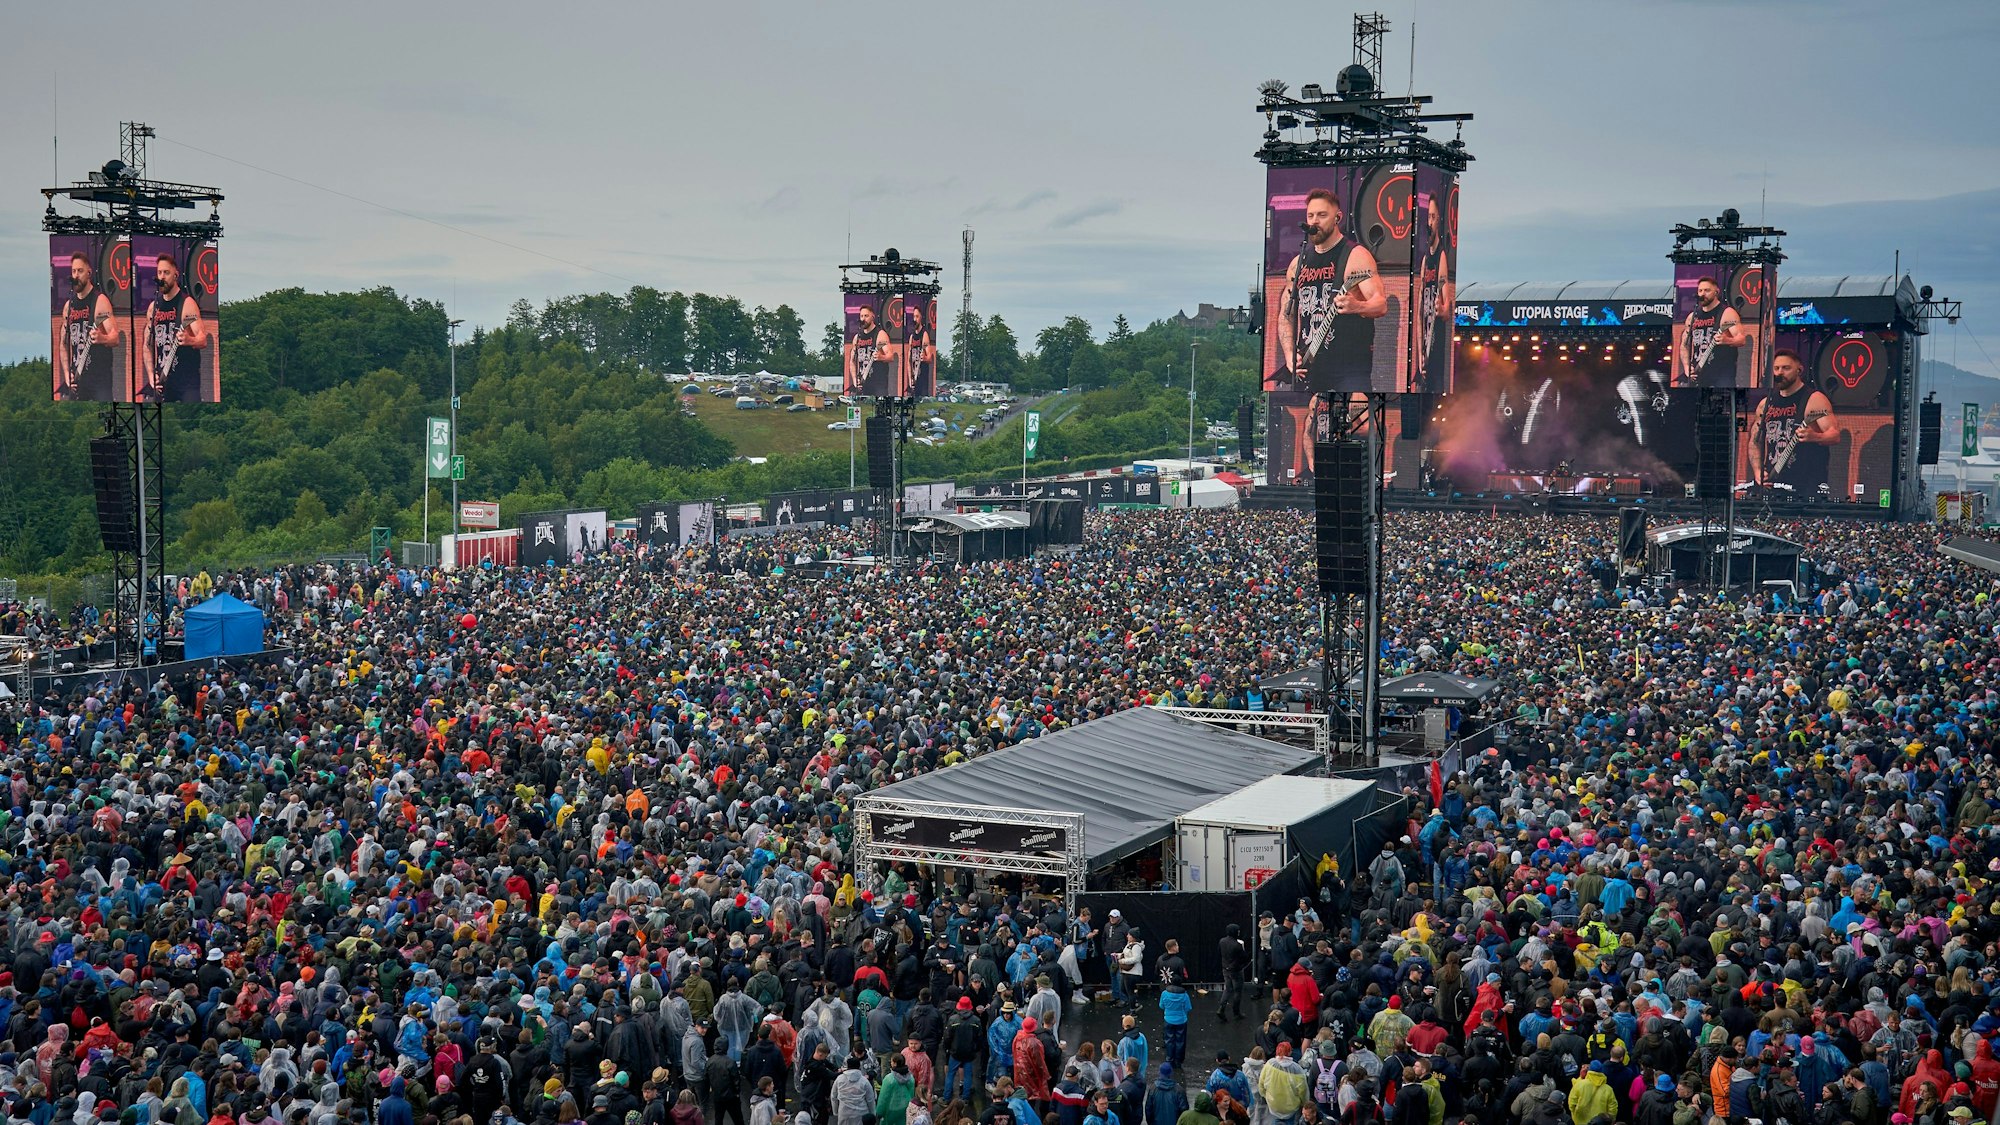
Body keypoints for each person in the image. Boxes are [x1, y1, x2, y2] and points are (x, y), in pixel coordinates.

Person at [1275, 187, 1387, 390]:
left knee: (1357, 416)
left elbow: (1380, 304)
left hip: (1350, 368)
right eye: (1310, 215)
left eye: (1322, 215)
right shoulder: (1298, 263)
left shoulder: (1355, 256)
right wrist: (1290, 354)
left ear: (1338, 217)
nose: (1314, 221)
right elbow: (1286, 314)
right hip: (1309, 367)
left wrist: (1357, 307)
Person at [1751, 348, 1838, 494]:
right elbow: (1755, 441)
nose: (1780, 373)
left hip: (1806, 484)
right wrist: (1758, 470)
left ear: (1799, 370)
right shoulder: (1765, 404)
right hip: (1773, 483)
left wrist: (1816, 436)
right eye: (1776, 368)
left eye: (1786, 368)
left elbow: (1835, 435)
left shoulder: (1814, 399)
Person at [136, 248, 210, 403]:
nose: (162, 277)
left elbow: (202, 339)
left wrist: (190, 340)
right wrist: (151, 376)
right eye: (159, 273)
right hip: (164, 382)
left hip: (186, 383)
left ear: (175, 275)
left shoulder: (187, 304)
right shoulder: (153, 307)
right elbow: (147, 346)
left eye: (166, 273)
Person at [52, 250, 121, 401]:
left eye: (80, 271)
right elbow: (63, 344)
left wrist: (102, 338)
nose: (76, 275)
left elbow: (115, 338)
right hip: (78, 381)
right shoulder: (69, 306)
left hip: (99, 381)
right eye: (74, 271)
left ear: (89, 273)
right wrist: (67, 374)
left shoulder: (99, 301)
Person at [1677, 274, 1746, 387]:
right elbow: (1684, 345)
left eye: (1707, 290)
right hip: (1699, 372)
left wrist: (1727, 340)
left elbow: (1741, 339)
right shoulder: (1692, 316)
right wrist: (1686, 367)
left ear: (1716, 292)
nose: (1703, 294)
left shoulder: (1727, 313)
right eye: (1700, 291)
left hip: (1722, 373)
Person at [1218, 926, 1251, 1024]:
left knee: (1228, 989)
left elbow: (1219, 953)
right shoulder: (1237, 945)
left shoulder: (1222, 941)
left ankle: (1221, 1008)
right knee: (1237, 991)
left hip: (1225, 968)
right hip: (1236, 970)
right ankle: (1236, 1012)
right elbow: (1244, 958)